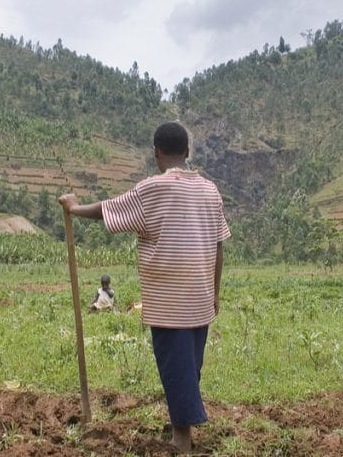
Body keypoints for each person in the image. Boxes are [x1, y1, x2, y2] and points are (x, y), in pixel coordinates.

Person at [59, 121, 230, 453]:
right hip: (200, 298)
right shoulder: (211, 191)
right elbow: (219, 246)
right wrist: (215, 292)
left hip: (169, 303)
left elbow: (109, 209)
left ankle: (181, 443)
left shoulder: (154, 188)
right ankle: (185, 431)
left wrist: (74, 207)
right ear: (188, 152)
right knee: (189, 368)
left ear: (156, 153)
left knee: (176, 370)